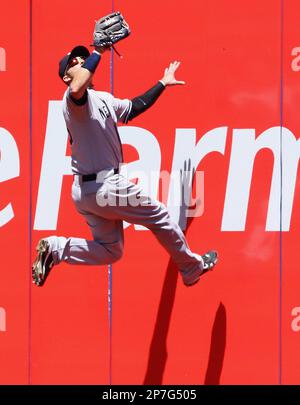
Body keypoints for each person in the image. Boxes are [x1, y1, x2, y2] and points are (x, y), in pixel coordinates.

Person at [32, 43, 218, 287]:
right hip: (103, 185)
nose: (81, 61)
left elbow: (134, 107)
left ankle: (56, 249)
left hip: (87, 191)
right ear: (66, 76)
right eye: (75, 62)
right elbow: (77, 87)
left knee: (112, 251)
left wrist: (162, 83)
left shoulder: (103, 99)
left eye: (83, 58)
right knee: (159, 215)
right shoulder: (72, 99)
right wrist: (97, 51)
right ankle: (191, 268)